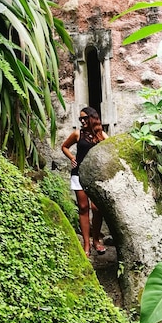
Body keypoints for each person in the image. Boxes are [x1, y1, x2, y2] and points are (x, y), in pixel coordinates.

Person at [61, 106, 108, 257]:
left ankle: (96, 240)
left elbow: (111, 149)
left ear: (92, 119)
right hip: (78, 174)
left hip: (96, 177)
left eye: (85, 118)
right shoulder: (77, 134)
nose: (82, 121)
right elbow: (64, 147)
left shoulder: (101, 135)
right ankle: (86, 244)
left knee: (96, 208)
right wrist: (72, 158)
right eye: (80, 118)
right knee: (83, 207)